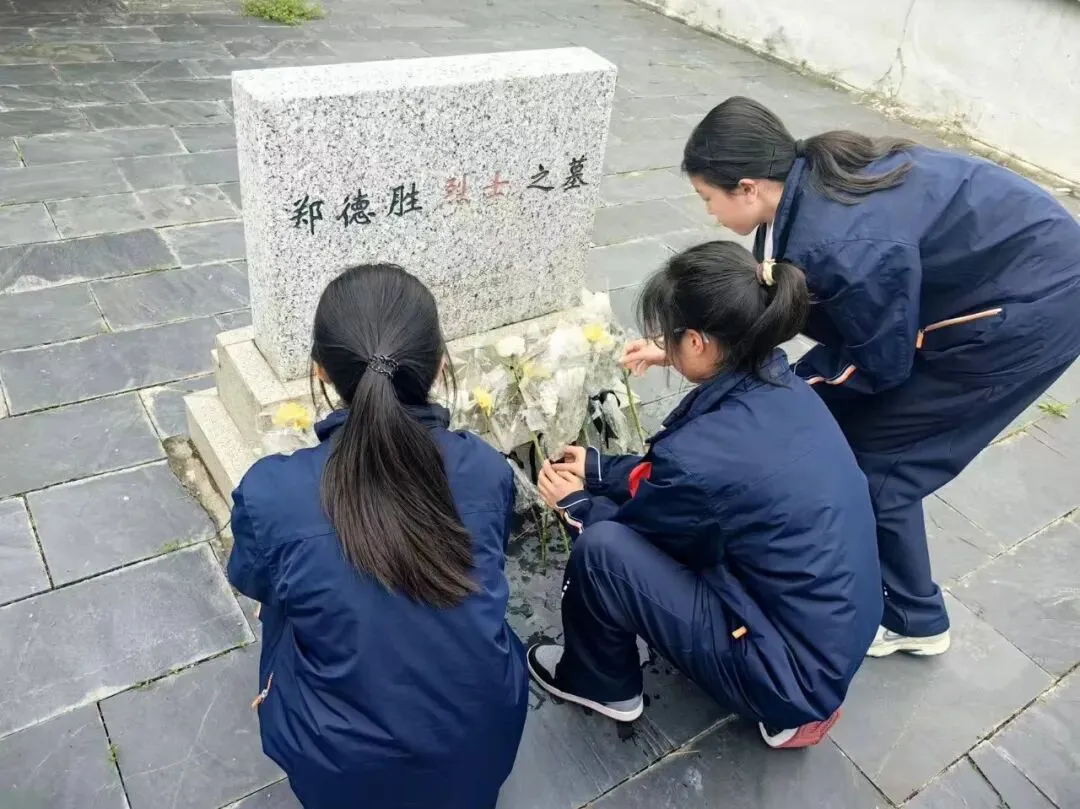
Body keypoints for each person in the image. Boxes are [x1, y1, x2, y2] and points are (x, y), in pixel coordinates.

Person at [633, 96, 1080, 657]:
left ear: (747, 187)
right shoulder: (805, 182)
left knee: (883, 464)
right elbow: (785, 306)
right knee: (840, 419)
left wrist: (780, 394)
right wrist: (677, 348)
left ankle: (915, 618)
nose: (709, 214)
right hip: (1006, 271)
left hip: (1032, 309)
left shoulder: (838, 244)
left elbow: (879, 362)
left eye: (707, 198)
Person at [528, 241, 883, 749]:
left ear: (698, 342)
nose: (665, 346)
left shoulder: (701, 456)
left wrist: (579, 505)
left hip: (791, 676)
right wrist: (599, 468)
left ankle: (600, 685)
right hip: (833, 633)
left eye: (672, 337)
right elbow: (688, 485)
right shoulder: (782, 387)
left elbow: (651, 530)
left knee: (601, 551)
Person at [226, 264, 528, 809]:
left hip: (341, 777)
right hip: (482, 750)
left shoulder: (271, 492)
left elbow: (251, 577)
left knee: (279, 603)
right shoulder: (486, 469)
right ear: (440, 365)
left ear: (320, 371)